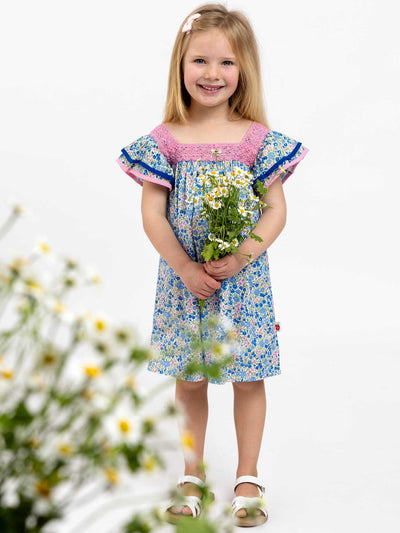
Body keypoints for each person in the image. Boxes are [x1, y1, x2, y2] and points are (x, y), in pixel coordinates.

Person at [116, 3, 308, 527]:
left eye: (226, 63)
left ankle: (247, 475)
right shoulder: (165, 141)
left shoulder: (257, 140)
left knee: (247, 379)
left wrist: (241, 255)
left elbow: (275, 211)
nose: (212, 74)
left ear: (243, 70)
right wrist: (184, 266)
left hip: (242, 284)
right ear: (181, 65)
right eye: (200, 61)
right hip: (186, 284)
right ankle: (192, 472)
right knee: (190, 379)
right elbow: (152, 213)